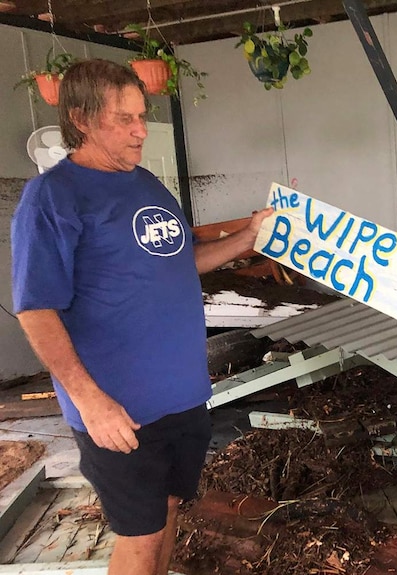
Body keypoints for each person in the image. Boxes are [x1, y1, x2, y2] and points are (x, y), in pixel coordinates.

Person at [10, 59, 272, 575]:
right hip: (120, 411)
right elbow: (35, 308)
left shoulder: (145, 183)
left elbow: (179, 262)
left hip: (183, 397)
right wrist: (92, 403)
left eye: (140, 115)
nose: (139, 130)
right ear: (81, 119)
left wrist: (245, 240)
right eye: (123, 119)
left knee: (169, 511)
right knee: (140, 535)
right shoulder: (53, 197)